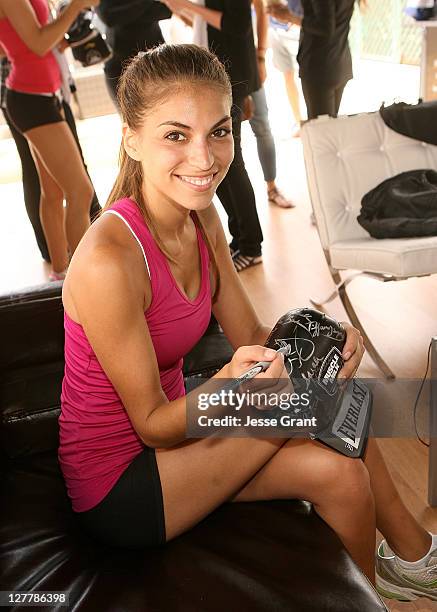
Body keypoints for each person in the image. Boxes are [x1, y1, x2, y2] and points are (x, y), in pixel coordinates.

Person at [59, 44, 437, 602]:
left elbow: (254, 338)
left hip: (175, 428)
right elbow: (152, 425)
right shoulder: (109, 262)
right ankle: (412, 558)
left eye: (218, 131)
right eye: (175, 135)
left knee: (337, 436)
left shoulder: (202, 216)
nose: (204, 158)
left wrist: (332, 344)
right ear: (131, 138)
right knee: (329, 411)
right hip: (122, 474)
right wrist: (233, 390)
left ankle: (399, 569)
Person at [0, 0, 100, 280]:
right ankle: (86, 282)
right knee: (80, 192)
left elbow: (41, 38)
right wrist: (75, 7)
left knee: (53, 193)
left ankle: (60, 275)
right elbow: (38, 43)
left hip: (46, 94)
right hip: (31, 100)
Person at [163, 0, 264, 272]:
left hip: (231, 78)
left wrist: (187, 6)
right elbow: (206, 22)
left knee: (232, 163)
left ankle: (252, 245)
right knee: (220, 166)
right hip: (217, 78)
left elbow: (237, 25)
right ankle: (240, 238)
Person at [267, 0, 356, 120]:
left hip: (319, 66)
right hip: (339, 61)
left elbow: (325, 26)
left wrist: (290, 17)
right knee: (329, 128)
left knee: (321, 131)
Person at [250, 0, 295, 208]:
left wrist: (260, 56)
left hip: (246, 60)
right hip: (213, 62)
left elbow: (262, 10)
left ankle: (272, 187)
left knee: (262, 125)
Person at [96, 0, 171, 106]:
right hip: (120, 65)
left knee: (163, 109)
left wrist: (125, 14)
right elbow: (109, 17)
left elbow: (166, 10)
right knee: (128, 116)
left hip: (155, 61)